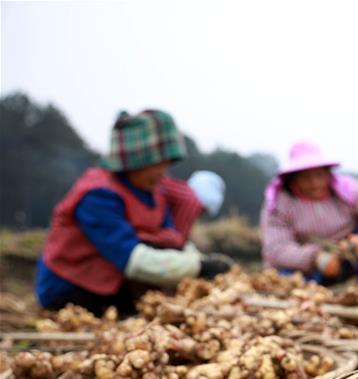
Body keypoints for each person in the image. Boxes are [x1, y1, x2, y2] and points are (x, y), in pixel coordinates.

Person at [35, 110, 231, 315]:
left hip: (114, 284)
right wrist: (197, 267)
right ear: (135, 161)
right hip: (72, 289)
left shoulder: (154, 192)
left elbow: (171, 239)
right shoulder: (98, 195)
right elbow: (131, 259)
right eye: (156, 165)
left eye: (166, 164)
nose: (162, 172)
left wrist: (202, 260)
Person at [260, 142, 358, 288]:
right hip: (307, 267)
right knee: (285, 280)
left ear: (327, 173)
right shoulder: (279, 203)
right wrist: (315, 258)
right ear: (293, 178)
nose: (314, 183)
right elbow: (276, 249)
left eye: (319, 175)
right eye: (306, 177)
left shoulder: (347, 189)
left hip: (347, 255)